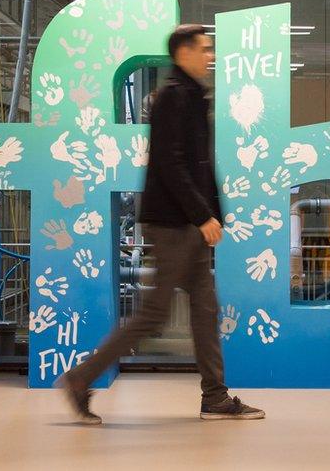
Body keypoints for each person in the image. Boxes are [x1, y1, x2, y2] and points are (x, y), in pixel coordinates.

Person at [59, 25, 265, 425]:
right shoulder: (173, 97)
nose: (210, 56)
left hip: (186, 223)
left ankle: (215, 398)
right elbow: (170, 164)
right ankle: (80, 379)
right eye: (205, 49)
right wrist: (201, 215)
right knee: (153, 315)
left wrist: (213, 213)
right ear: (183, 52)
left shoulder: (191, 95)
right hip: (172, 225)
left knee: (205, 310)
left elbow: (199, 164)